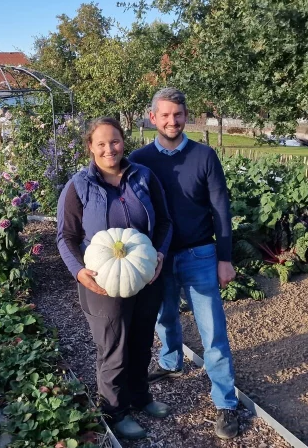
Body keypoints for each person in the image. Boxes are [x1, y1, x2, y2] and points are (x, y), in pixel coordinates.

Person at [128, 87, 240, 439]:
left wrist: (225, 258)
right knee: (164, 315)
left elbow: (220, 209)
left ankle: (225, 402)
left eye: (177, 114)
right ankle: (170, 361)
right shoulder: (139, 159)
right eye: (165, 115)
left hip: (199, 254)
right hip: (157, 257)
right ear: (153, 118)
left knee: (213, 331)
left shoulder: (204, 156)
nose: (172, 121)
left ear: (186, 116)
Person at [56, 117, 173, 440]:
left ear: (124, 142)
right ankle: (114, 411)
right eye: (102, 144)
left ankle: (140, 396)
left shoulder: (143, 176)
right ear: (90, 147)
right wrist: (78, 271)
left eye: (115, 141)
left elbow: (165, 222)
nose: (110, 149)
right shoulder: (78, 186)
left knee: (142, 340)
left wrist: (160, 253)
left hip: (145, 274)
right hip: (102, 281)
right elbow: (65, 236)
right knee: (113, 347)